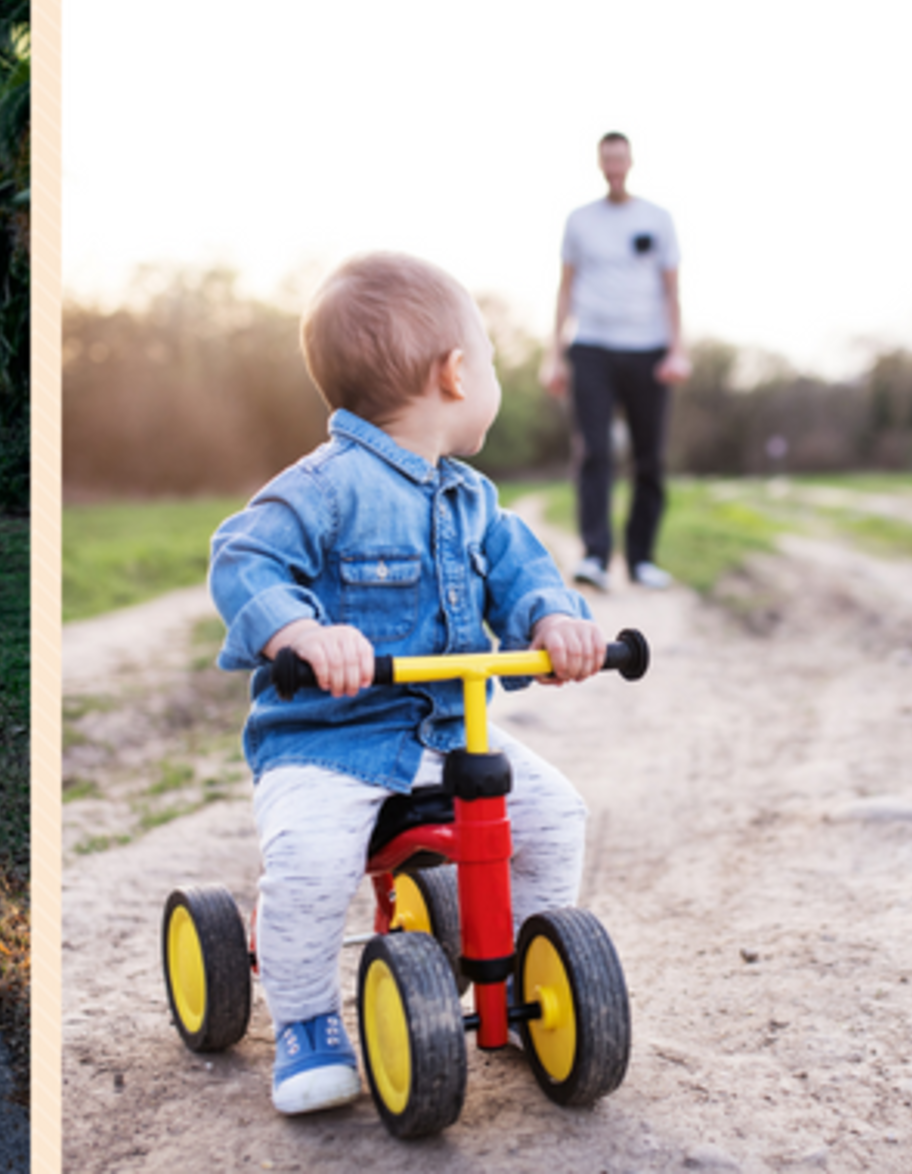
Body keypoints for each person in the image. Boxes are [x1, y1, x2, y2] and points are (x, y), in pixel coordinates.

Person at [209, 252, 608, 1115]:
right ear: (456, 373)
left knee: (554, 815)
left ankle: (522, 967)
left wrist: (555, 622)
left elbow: (525, 574)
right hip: (330, 745)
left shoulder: (474, 501)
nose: (493, 377)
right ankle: (307, 1022)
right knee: (312, 865)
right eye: (491, 360)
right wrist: (303, 633)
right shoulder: (324, 488)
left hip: (450, 737)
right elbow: (243, 560)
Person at [543, 131, 689, 591]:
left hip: (648, 348)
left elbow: (671, 290)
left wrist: (677, 349)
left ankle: (642, 559)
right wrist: (554, 355)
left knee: (650, 459)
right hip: (591, 346)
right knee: (594, 453)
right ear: (599, 163)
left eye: (620, 158)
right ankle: (596, 556)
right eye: (607, 159)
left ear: (630, 161)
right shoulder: (580, 221)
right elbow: (565, 288)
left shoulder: (657, 219)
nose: (614, 167)